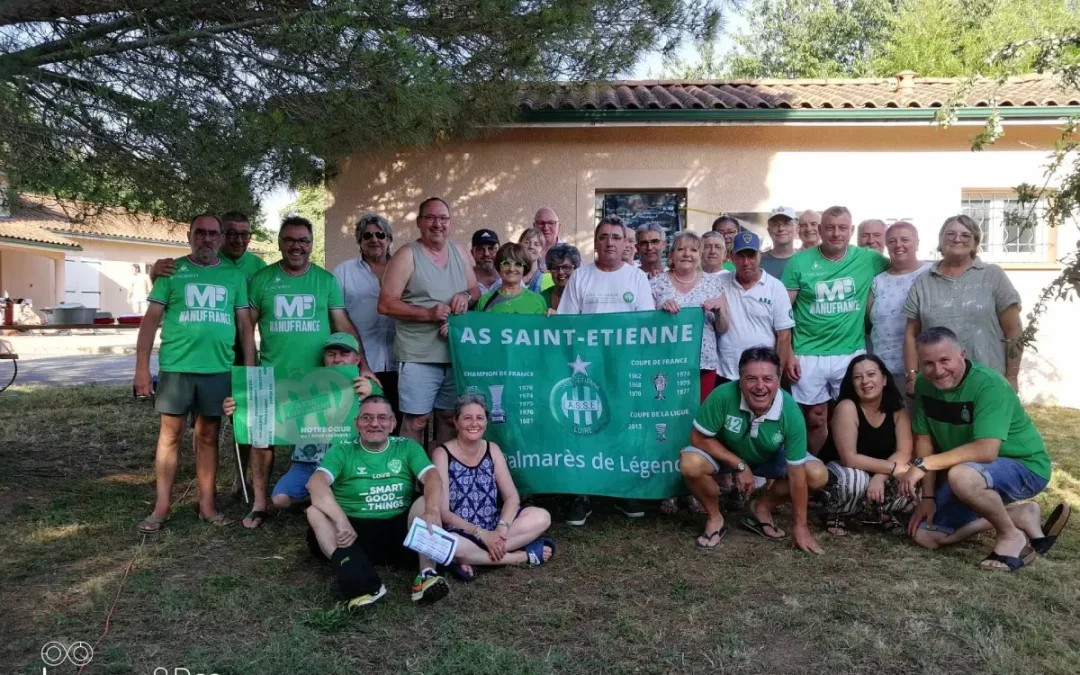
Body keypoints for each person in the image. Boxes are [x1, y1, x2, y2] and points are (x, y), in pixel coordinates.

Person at [902, 327, 1069, 571]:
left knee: (961, 476)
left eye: (945, 360)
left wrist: (923, 465)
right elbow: (924, 441)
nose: (937, 371)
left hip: (1024, 467)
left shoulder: (990, 385)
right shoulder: (924, 386)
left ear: (962, 354)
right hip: (970, 471)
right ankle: (1019, 516)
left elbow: (986, 450)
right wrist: (927, 497)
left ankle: (1011, 537)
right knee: (925, 535)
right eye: (928, 363)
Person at [245, 216, 371, 529]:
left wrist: (363, 365)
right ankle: (260, 504)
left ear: (311, 244)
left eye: (303, 240)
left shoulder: (325, 281)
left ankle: (325, 492)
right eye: (290, 240)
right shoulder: (262, 279)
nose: (297, 246)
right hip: (270, 374)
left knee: (325, 442)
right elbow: (246, 327)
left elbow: (343, 324)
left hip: (319, 378)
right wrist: (248, 371)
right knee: (262, 440)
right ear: (279, 242)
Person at [134, 214, 256, 533]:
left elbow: (245, 327)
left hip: (218, 369)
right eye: (199, 233)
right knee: (170, 436)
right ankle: (162, 506)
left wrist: (251, 370)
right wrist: (141, 369)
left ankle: (206, 504)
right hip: (176, 368)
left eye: (212, 234)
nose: (205, 239)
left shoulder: (233, 276)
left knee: (209, 435)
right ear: (189, 236)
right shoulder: (172, 271)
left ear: (220, 238)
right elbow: (149, 323)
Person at [306, 395, 450, 607]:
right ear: (357, 424)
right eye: (367, 417)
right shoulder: (341, 449)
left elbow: (432, 478)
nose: (374, 423)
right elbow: (315, 484)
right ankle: (363, 585)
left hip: (397, 531)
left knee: (424, 503)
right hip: (351, 534)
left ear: (393, 424)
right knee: (314, 511)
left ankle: (426, 576)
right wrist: (341, 520)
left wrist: (431, 509)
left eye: (382, 418)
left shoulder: (407, 447)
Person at [680, 347, 826, 553]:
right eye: (751, 378)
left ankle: (761, 507)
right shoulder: (723, 394)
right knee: (690, 463)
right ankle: (714, 517)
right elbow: (697, 437)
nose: (760, 386)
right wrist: (739, 465)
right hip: (726, 454)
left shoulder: (791, 412)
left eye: (767, 379)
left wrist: (800, 527)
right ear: (740, 379)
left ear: (778, 380)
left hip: (770, 456)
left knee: (817, 475)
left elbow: (797, 474)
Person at [558, 215, 655, 524]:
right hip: (585, 369)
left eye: (616, 237)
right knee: (584, 426)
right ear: (596, 241)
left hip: (623, 367)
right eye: (604, 237)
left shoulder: (636, 278)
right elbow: (566, 325)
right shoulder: (580, 277)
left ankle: (622, 489)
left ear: (625, 242)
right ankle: (581, 493)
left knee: (622, 426)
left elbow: (645, 325)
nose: (610, 242)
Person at [222, 333, 381, 509]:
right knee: (280, 500)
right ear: (324, 358)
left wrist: (368, 399)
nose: (337, 359)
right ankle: (318, 498)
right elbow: (271, 408)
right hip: (307, 462)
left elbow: (383, 428)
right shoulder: (309, 382)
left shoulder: (368, 386)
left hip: (349, 463)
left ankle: (329, 496)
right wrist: (238, 406)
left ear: (357, 359)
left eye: (344, 354)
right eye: (331, 354)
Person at [782, 206, 889, 455]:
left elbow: (902, 269)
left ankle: (854, 472)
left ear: (851, 231)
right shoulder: (799, 262)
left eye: (842, 228)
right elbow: (782, 312)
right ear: (820, 230)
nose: (836, 233)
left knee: (857, 412)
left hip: (850, 352)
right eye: (830, 227)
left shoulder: (868, 258)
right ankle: (815, 470)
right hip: (808, 352)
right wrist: (788, 353)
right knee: (815, 418)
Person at [378, 197, 479, 449]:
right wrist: (427, 314)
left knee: (447, 418)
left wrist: (465, 296)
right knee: (416, 421)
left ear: (450, 222)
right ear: (419, 222)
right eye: (431, 218)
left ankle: (438, 477)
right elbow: (385, 303)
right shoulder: (407, 254)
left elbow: (475, 290)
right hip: (418, 354)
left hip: (454, 354)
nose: (438, 224)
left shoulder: (459, 251)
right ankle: (406, 480)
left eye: (443, 218)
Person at [432, 394, 555, 580]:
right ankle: (520, 557)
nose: (474, 423)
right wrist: (481, 535)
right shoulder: (442, 453)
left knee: (542, 516)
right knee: (452, 546)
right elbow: (444, 512)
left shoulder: (492, 449)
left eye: (480, 418)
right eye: (467, 418)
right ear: (456, 423)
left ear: (486, 422)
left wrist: (500, 531)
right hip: (461, 530)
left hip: (492, 523)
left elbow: (512, 497)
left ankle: (475, 558)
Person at [902, 215, 1023, 393]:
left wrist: (1012, 376)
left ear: (975, 244)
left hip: (987, 382)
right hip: (937, 382)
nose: (957, 238)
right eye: (950, 234)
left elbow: (1014, 330)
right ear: (940, 240)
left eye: (966, 235)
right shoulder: (923, 282)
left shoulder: (993, 275)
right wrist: (912, 375)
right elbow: (911, 335)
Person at [817, 354, 916, 535]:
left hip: (881, 470)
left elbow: (904, 452)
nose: (865, 381)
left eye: (871, 374)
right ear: (852, 383)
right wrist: (891, 469)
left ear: (884, 379)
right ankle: (836, 511)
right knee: (856, 481)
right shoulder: (847, 407)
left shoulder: (897, 409)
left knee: (912, 475)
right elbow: (849, 458)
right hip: (843, 470)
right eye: (857, 377)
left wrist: (881, 476)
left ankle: (880, 512)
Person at [334, 213, 399, 414]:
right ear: (359, 241)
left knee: (397, 417)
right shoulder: (343, 272)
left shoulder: (403, 268)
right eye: (367, 236)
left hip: (400, 360)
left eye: (380, 235)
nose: (374, 240)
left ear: (389, 240)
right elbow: (336, 316)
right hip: (361, 361)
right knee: (363, 417)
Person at [652, 232, 725, 401]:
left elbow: (723, 327)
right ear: (671, 254)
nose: (687, 254)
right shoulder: (656, 283)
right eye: (681, 249)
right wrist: (660, 311)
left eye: (693, 250)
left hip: (703, 364)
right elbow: (646, 325)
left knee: (701, 415)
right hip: (667, 363)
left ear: (699, 255)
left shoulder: (713, 284)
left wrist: (719, 312)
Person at [715, 232, 794, 386]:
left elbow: (784, 336)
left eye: (751, 256)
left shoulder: (775, 287)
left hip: (762, 377)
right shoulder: (719, 283)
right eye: (740, 256)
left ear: (760, 256)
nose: (746, 262)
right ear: (731, 257)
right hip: (726, 372)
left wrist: (775, 375)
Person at [867, 222, 929, 391]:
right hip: (882, 371)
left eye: (905, 239)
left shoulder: (931, 273)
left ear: (917, 243)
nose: (898, 245)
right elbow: (867, 322)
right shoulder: (878, 280)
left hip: (924, 370)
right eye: (892, 241)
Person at [476, 243, 548, 315]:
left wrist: (553, 318)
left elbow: (544, 325)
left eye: (518, 264)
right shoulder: (484, 301)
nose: (511, 269)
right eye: (506, 263)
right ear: (499, 267)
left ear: (524, 268)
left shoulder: (538, 300)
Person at [541, 243, 581, 315]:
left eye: (566, 267)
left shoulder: (583, 296)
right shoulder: (541, 298)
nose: (561, 272)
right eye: (555, 268)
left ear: (575, 269)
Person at [760, 207, 798, 279]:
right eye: (775, 224)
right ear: (769, 231)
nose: (781, 228)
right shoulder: (759, 261)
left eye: (787, 223)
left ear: (796, 229)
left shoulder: (805, 260)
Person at [517, 227, 551, 292]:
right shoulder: (510, 275)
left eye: (536, 244)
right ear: (519, 246)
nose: (531, 246)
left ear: (541, 252)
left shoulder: (548, 278)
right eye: (527, 242)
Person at [471, 228, 502, 295]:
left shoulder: (510, 277)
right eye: (480, 249)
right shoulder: (463, 280)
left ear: (499, 251)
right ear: (472, 253)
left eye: (491, 248)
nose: (486, 253)